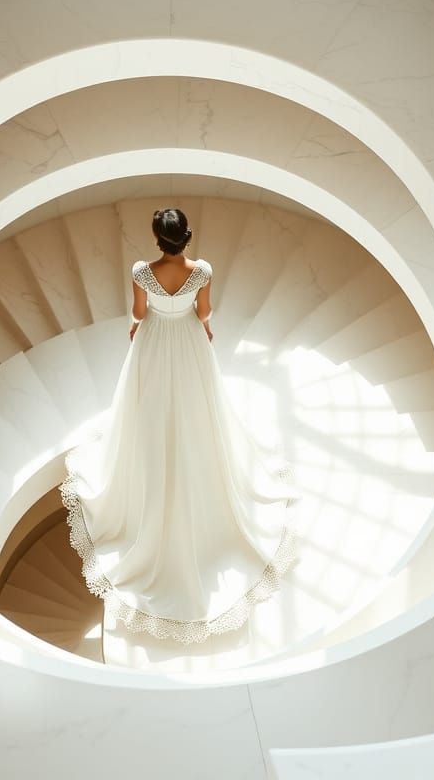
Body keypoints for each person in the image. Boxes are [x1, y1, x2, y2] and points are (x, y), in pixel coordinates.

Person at [60, 208, 299, 644]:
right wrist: (201, 327)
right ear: (186, 237)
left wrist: (138, 326)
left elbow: (138, 312)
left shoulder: (141, 272)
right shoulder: (202, 271)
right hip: (189, 342)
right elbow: (204, 313)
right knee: (198, 409)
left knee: (150, 409)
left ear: (157, 239)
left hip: (154, 341)